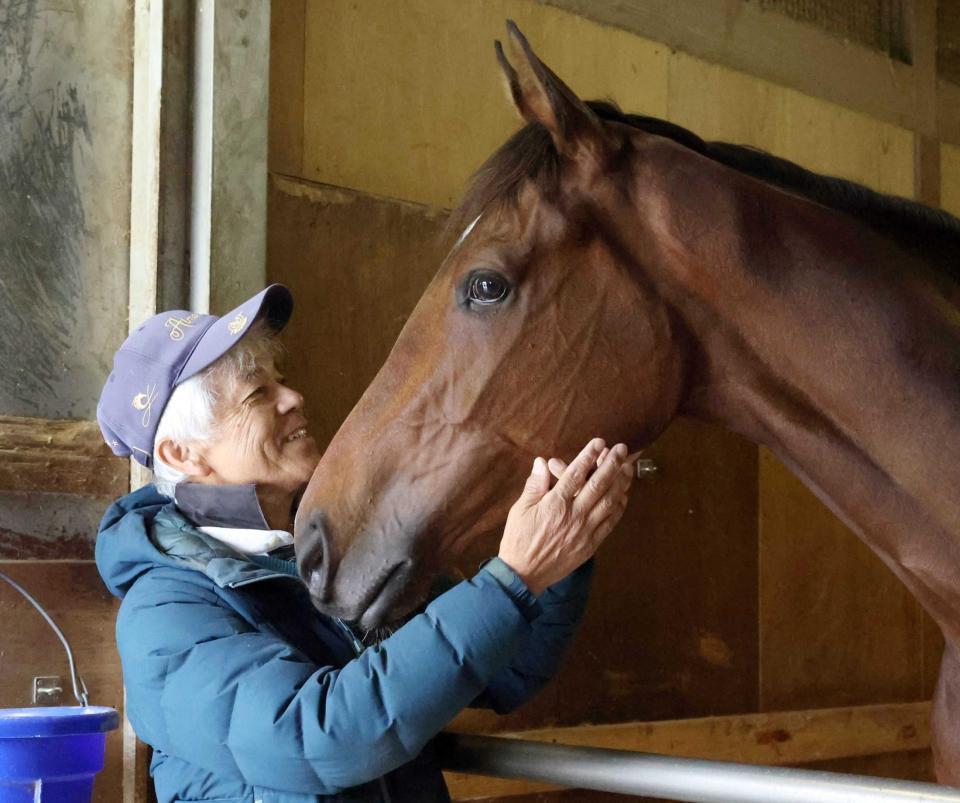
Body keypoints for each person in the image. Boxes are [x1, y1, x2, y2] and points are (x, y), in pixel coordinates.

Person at [95, 284, 635, 803]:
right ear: (183, 454)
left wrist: (562, 551)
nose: (293, 397)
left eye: (280, 379)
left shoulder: (336, 554)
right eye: (258, 393)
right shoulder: (166, 612)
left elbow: (506, 671)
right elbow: (319, 739)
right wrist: (514, 577)